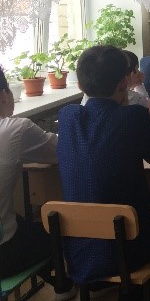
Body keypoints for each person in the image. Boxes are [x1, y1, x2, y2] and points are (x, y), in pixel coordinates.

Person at [57, 46, 150, 301]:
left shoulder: (67, 117)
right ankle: (138, 294)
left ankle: (103, 284)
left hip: (78, 252)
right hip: (126, 247)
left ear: (80, 85)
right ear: (123, 83)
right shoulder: (134, 116)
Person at [0, 67, 77, 301]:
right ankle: (63, 287)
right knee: (59, 229)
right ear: (4, 95)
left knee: (20, 222)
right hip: (4, 255)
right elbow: (64, 151)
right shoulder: (14, 129)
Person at [80, 50, 150, 109]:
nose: (139, 73)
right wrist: (139, 85)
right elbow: (147, 107)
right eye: (137, 69)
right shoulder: (135, 97)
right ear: (129, 76)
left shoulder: (89, 95)